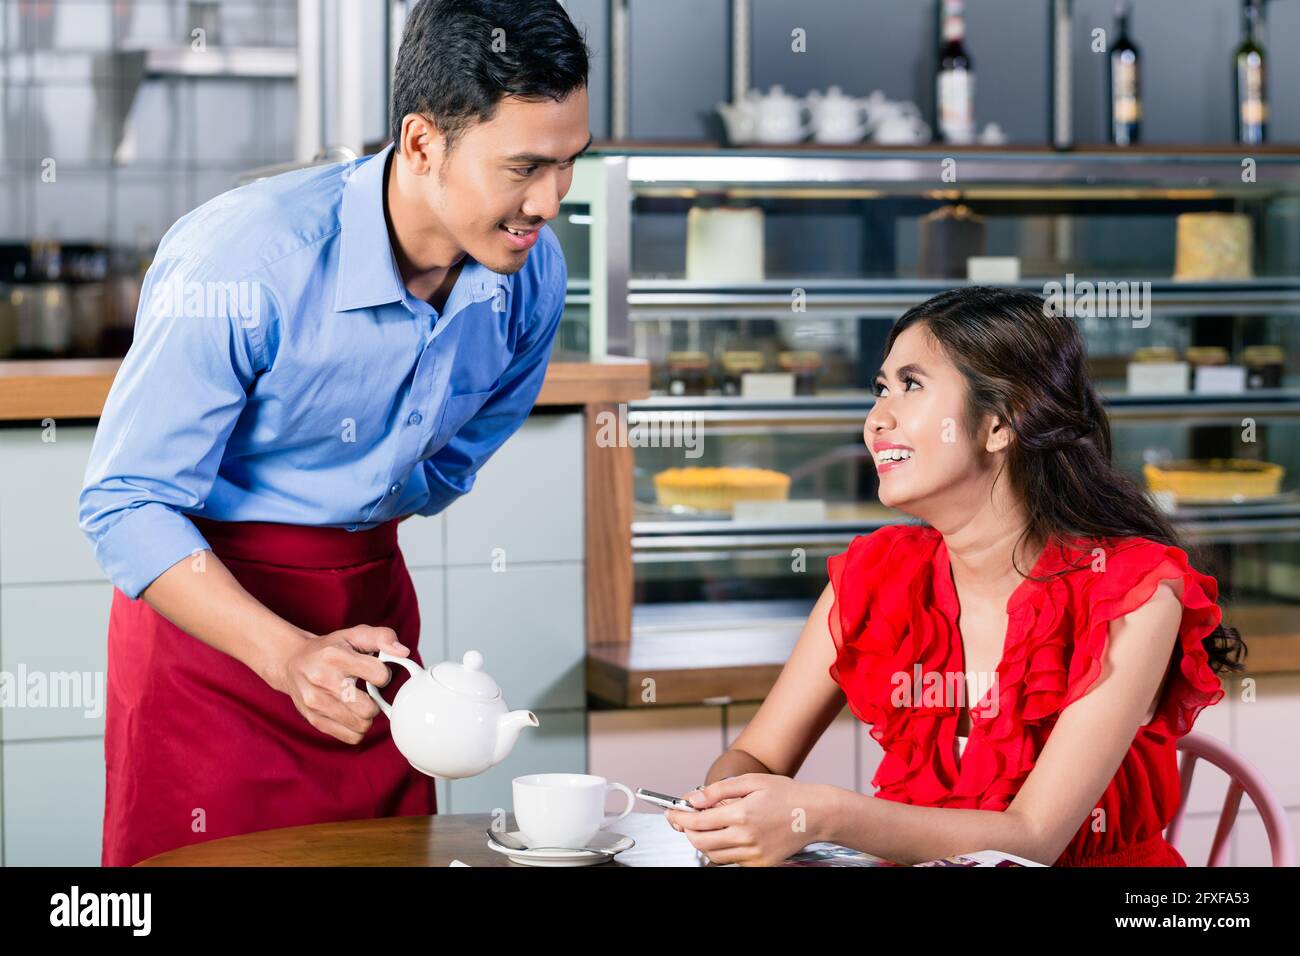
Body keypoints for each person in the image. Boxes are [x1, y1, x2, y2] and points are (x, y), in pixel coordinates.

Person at [78, 0, 592, 867]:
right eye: (524, 167)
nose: (549, 202)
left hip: (371, 638)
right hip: (214, 651)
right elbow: (124, 503)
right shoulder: (242, 263)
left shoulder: (532, 277)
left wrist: (350, 519)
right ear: (423, 143)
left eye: (570, 164)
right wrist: (286, 654)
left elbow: (454, 456)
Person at [666, 287, 1246, 867]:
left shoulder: (1133, 592)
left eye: (911, 386)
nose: (876, 420)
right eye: (880, 390)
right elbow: (758, 757)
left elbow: (1031, 838)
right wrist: (729, 803)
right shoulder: (876, 574)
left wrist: (819, 814)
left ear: (1000, 422)